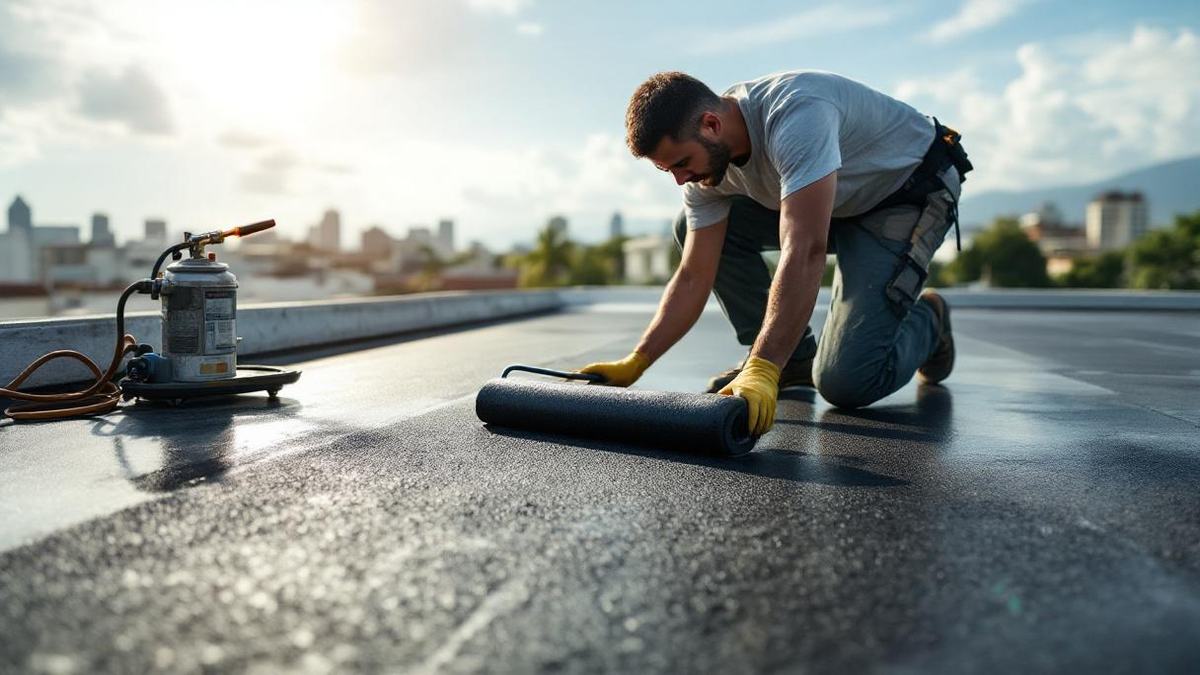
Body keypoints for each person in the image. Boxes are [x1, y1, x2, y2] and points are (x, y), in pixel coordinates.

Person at [578, 70, 973, 436]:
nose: (681, 179)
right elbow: (694, 275)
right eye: (669, 171)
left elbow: (804, 249)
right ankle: (794, 358)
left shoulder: (795, 116)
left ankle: (930, 319)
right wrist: (637, 361)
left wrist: (762, 368)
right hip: (837, 201)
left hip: (905, 194)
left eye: (682, 163)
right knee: (689, 225)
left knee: (847, 383)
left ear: (712, 125)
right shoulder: (704, 170)